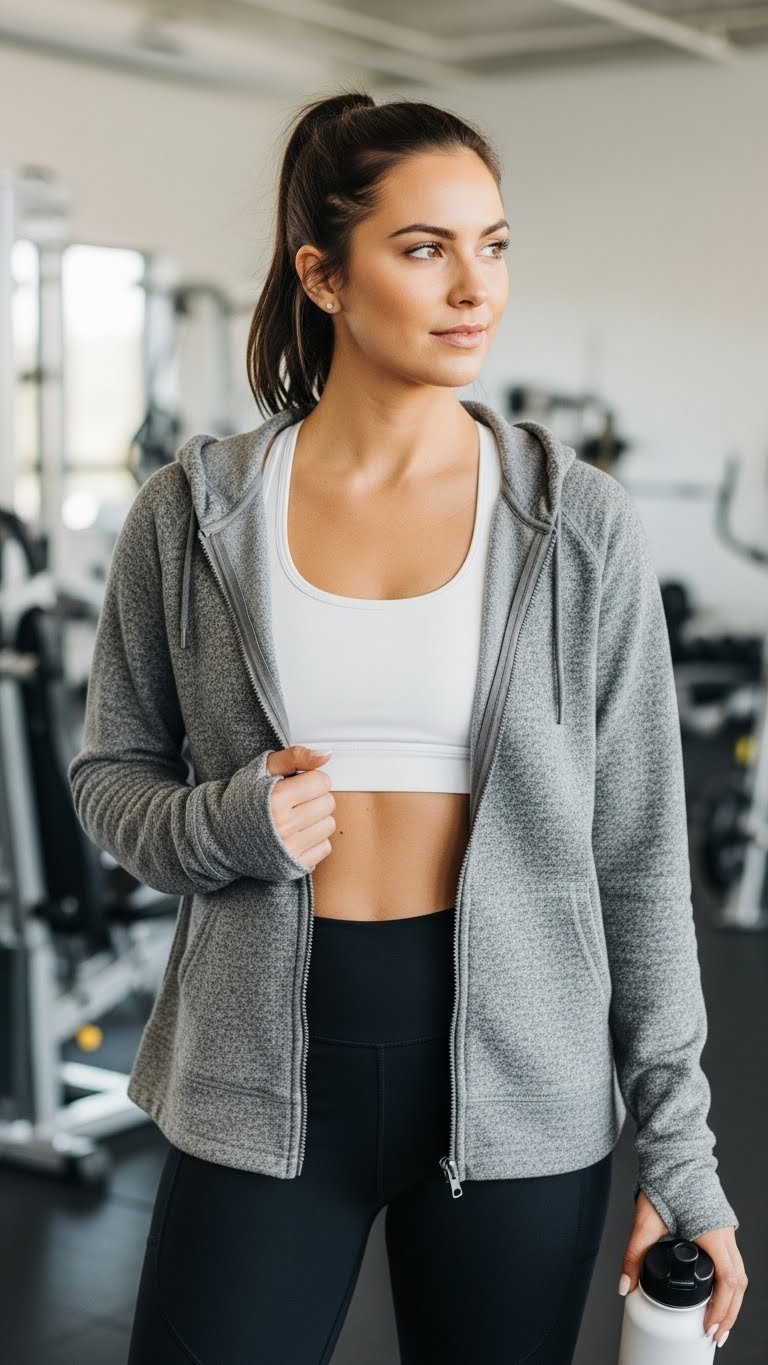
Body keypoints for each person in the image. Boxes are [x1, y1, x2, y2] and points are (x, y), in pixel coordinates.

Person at [68, 90, 746, 1364]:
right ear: (322, 276)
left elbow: (640, 858)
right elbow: (110, 775)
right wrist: (226, 825)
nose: (474, 288)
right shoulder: (193, 514)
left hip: (521, 1085)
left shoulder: (576, 522)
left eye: (493, 245)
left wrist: (682, 1152)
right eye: (425, 249)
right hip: (259, 1076)